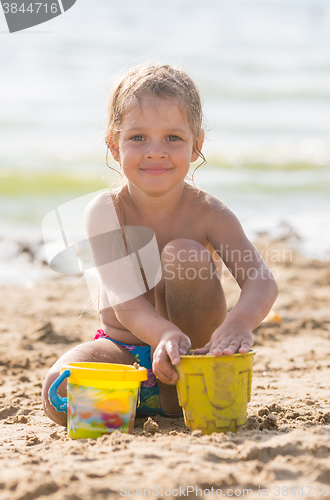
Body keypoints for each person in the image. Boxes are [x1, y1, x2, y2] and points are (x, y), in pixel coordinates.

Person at [42, 63, 278, 426]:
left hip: (196, 356)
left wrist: (239, 323)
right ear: (114, 146)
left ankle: (177, 395)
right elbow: (126, 304)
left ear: (196, 145)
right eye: (138, 138)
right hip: (126, 353)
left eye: (173, 138)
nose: (155, 151)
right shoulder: (106, 212)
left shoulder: (210, 213)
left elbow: (261, 281)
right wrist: (161, 335)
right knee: (56, 393)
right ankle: (153, 401)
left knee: (182, 253)